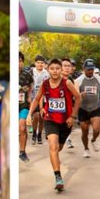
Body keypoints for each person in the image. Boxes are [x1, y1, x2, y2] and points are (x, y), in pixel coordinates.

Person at [30, 58, 78, 192]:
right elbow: (37, 99)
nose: (55, 71)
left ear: (61, 70)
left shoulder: (67, 83)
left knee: (58, 148)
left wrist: (72, 116)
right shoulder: (45, 84)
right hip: (50, 119)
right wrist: (30, 114)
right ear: (48, 69)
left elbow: (78, 98)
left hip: (65, 121)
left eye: (57, 68)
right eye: (52, 69)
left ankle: (55, 160)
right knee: (53, 146)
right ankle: (58, 177)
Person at [75, 60, 100, 158]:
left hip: (95, 107)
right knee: (84, 132)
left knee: (96, 129)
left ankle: (93, 140)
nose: (90, 71)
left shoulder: (99, 79)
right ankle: (86, 148)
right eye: (88, 69)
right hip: (83, 108)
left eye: (92, 69)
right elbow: (74, 96)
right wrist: (80, 95)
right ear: (84, 69)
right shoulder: (78, 80)